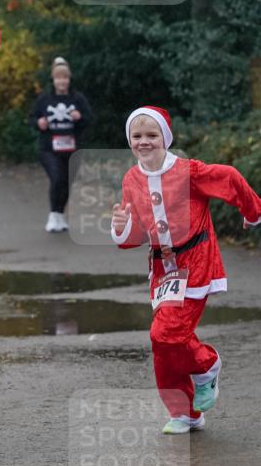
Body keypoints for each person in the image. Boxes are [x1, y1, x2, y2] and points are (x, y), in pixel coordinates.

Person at [111, 106, 261, 434]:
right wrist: (122, 226)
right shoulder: (131, 179)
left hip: (195, 263)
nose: (144, 142)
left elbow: (230, 178)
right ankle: (186, 413)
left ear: (165, 138)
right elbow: (135, 236)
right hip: (163, 271)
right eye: (137, 136)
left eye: (152, 135)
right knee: (166, 345)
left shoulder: (188, 171)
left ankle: (207, 364)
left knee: (164, 333)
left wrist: (253, 212)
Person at [29, 56, 92, 232]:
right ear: (54, 79)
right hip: (49, 149)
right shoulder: (44, 99)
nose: (62, 81)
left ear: (69, 79)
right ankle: (52, 215)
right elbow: (32, 119)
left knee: (66, 182)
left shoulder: (77, 99)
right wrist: (39, 123)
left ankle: (60, 216)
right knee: (57, 178)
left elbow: (89, 119)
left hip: (72, 149)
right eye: (58, 78)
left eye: (65, 77)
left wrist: (80, 118)